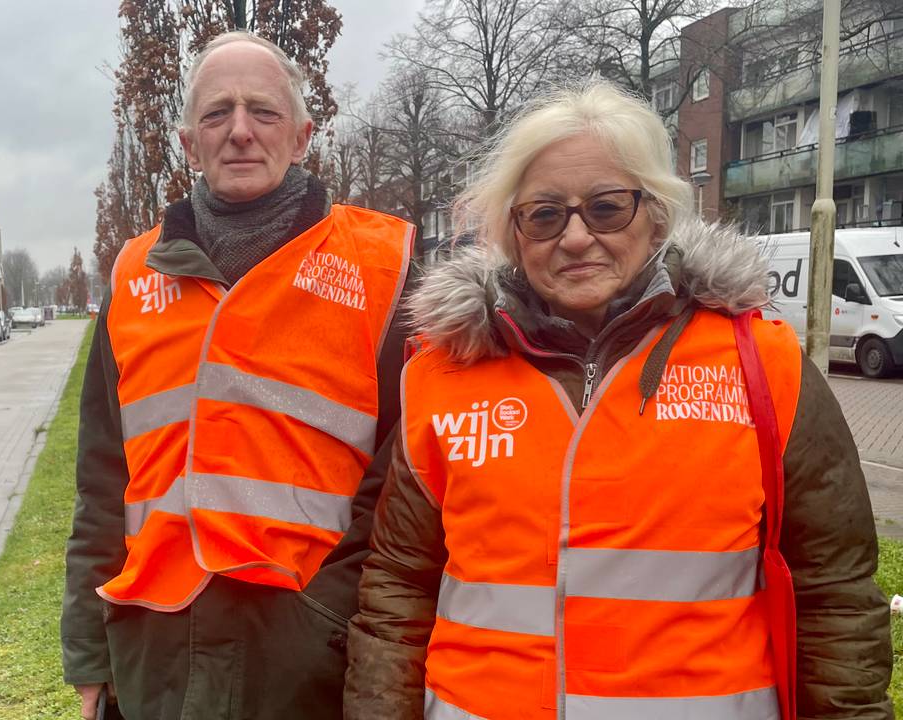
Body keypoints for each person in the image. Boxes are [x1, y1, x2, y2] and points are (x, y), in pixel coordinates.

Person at [344, 80, 893, 719]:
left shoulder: (763, 366)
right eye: (544, 214)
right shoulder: (443, 374)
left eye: (607, 208)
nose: (576, 238)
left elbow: (835, 597)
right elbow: (398, 590)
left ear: (655, 215)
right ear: (513, 232)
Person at [61, 31, 416, 720]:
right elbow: (101, 478)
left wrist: (328, 617)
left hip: (307, 662)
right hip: (156, 655)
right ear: (189, 144)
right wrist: (88, 651)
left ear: (303, 136)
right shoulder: (132, 278)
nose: (241, 131)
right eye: (217, 113)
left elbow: (402, 489)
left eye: (264, 111)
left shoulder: (383, 271)